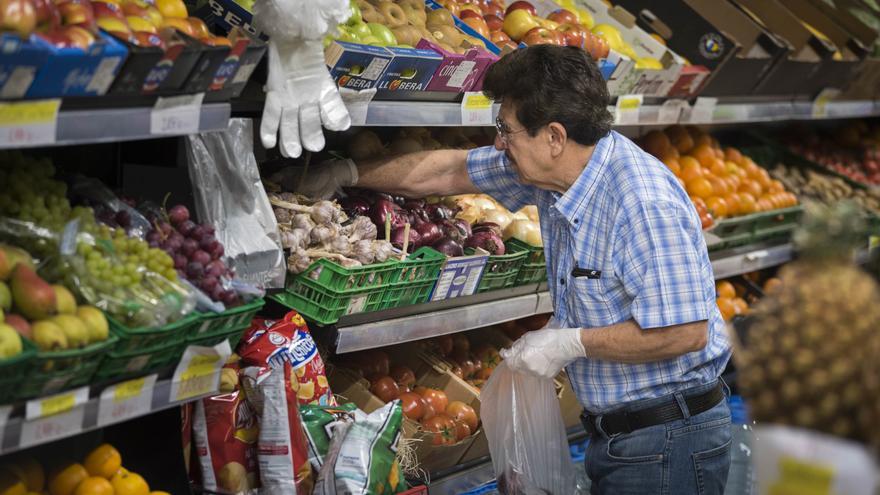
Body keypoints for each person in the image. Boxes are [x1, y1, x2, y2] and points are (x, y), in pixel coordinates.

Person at [300, 45, 732, 494]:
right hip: (626, 434)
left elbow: (684, 332)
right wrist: (348, 171)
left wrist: (572, 342)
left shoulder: (642, 203)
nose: (498, 142)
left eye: (505, 129)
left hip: (671, 439)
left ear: (554, 136)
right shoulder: (555, 170)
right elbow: (449, 171)